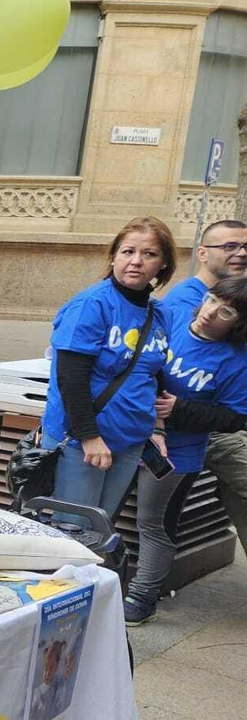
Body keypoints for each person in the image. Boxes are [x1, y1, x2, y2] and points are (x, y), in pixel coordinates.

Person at [36, 217, 177, 519]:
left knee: (101, 528)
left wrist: (156, 430)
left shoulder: (161, 313)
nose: (136, 261)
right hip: (82, 441)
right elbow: (70, 378)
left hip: (131, 440)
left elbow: (152, 374)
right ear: (113, 256)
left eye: (149, 254)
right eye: (128, 252)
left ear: (163, 264)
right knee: (74, 530)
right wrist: (89, 436)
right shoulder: (91, 304)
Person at [126, 276, 247, 624]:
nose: (210, 312)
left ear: (239, 324)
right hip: (125, 437)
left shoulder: (236, 362)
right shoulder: (172, 318)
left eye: (226, 312)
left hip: (177, 454)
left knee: (153, 522)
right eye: (211, 300)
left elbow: (234, 418)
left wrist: (180, 409)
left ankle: (143, 597)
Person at [162, 219, 247, 561]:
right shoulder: (186, 301)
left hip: (222, 414)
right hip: (202, 429)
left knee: (237, 498)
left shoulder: (238, 296)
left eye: (246, 247)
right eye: (229, 246)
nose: (241, 253)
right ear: (202, 253)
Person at [29, 641, 64, 720]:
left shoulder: (59, 684)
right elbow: (32, 712)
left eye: (51, 668)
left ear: (57, 667)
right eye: (45, 668)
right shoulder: (38, 691)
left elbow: (59, 707)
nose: (47, 673)